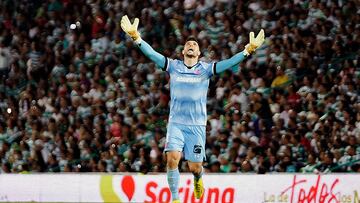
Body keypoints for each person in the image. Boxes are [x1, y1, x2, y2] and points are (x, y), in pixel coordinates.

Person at [120, 15, 264, 203]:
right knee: (172, 158)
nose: (191, 46)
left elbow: (228, 63)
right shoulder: (174, 66)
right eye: (188, 44)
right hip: (176, 124)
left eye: (194, 45)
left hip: (196, 126)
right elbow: (152, 54)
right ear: (183, 52)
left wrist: (248, 50)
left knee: (194, 167)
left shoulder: (205, 69)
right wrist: (136, 38)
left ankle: (198, 178)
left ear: (198, 53)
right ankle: (175, 199)